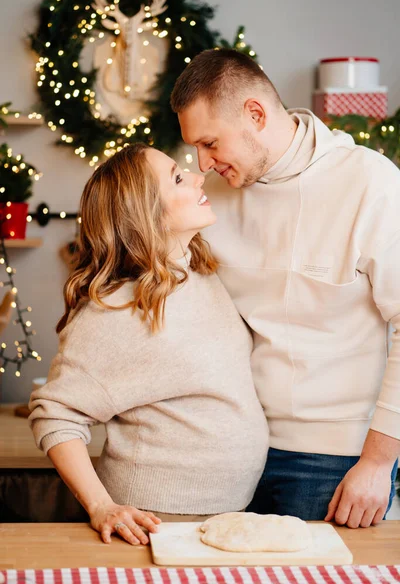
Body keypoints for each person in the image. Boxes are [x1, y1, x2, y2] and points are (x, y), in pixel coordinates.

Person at [170, 48, 400, 528]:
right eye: (195, 147)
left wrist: (378, 462)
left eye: (210, 143)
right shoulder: (205, 198)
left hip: (333, 458)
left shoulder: (369, 183)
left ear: (255, 113)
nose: (202, 163)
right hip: (226, 449)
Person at [29, 142, 269, 545]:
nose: (197, 176)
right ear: (145, 214)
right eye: (178, 177)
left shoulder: (199, 273)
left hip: (227, 511)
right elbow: (55, 414)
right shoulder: (118, 310)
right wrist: (102, 506)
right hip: (157, 521)